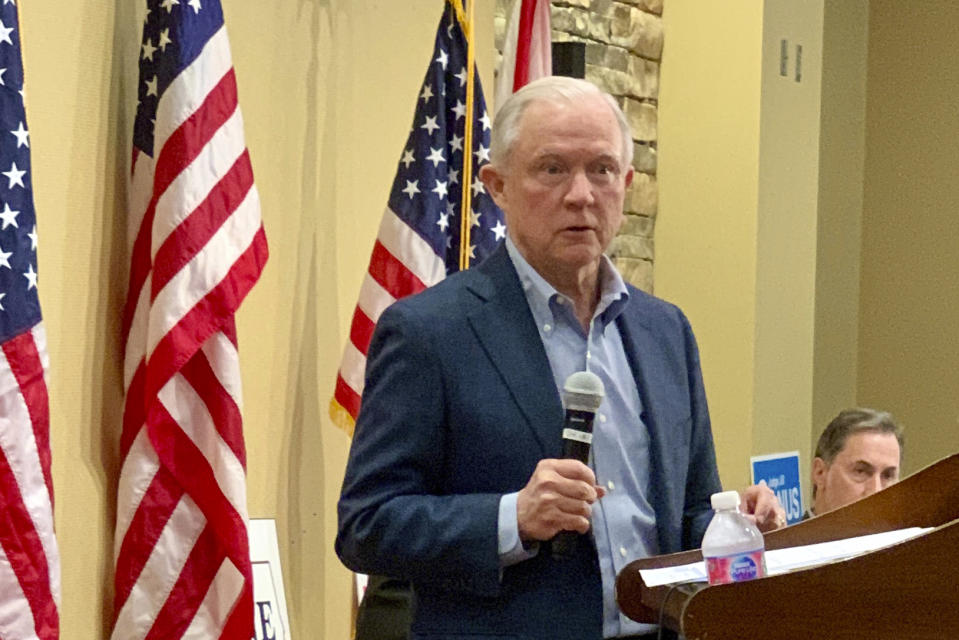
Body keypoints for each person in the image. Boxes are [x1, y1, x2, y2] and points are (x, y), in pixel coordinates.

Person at [336, 76, 785, 640]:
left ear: (625, 184)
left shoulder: (665, 331)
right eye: (552, 169)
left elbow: (688, 511)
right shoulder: (431, 332)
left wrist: (734, 524)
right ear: (497, 186)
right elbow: (367, 524)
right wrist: (512, 518)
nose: (581, 194)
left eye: (601, 170)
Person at [808, 407, 904, 517]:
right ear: (820, 473)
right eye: (860, 471)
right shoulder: (791, 534)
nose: (876, 491)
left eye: (887, 476)